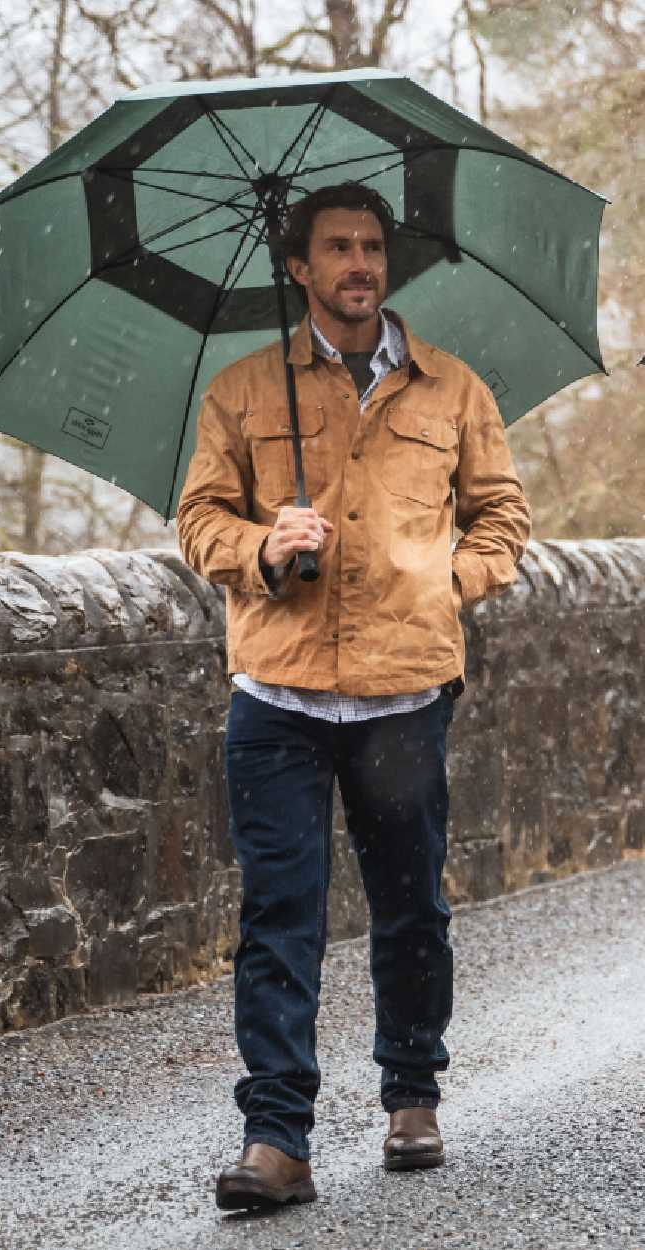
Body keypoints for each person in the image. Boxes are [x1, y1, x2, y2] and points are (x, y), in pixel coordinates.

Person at [176, 182, 531, 1211]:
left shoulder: (448, 389)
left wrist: (448, 580)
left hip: (402, 691)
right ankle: (276, 1136)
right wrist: (261, 544)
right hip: (276, 695)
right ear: (299, 266)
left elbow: (501, 513)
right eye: (335, 247)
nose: (356, 263)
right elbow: (199, 520)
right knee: (278, 915)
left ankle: (411, 1094)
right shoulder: (244, 391)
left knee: (410, 907)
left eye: (370, 246)